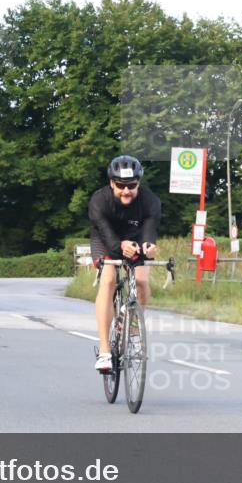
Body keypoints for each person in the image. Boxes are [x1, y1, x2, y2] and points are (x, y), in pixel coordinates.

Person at [88, 155, 161, 372]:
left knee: (140, 281)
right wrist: (120, 246)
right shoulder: (99, 200)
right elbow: (106, 235)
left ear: (139, 183)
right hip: (105, 238)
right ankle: (104, 351)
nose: (126, 191)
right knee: (109, 280)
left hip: (135, 237)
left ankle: (135, 328)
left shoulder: (151, 201)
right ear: (112, 183)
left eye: (131, 186)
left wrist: (148, 246)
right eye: (120, 186)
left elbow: (149, 231)